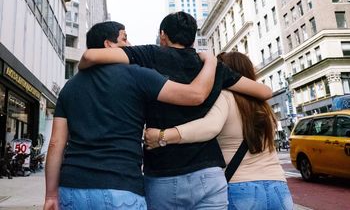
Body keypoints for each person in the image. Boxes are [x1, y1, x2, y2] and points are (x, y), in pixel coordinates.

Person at [78, 12, 272, 209]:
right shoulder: (215, 68)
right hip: (209, 172)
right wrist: (213, 65)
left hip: (163, 172)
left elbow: (90, 55)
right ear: (193, 38)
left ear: (163, 35)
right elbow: (265, 91)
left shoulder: (149, 54)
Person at [43, 21, 218, 210]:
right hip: (121, 187)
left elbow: (55, 143)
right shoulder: (138, 75)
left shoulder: (70, 87)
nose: (129, 44)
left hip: (72, 188)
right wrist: (211, 61)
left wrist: (51, 195)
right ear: (108, 45)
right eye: (124, 38)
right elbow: (195, 94)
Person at [145, 51, 294, 210]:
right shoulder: (264, 106)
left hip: (240, 187)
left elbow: (209, 126)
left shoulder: (225, 96)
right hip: (278, 187)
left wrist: (163, 135)